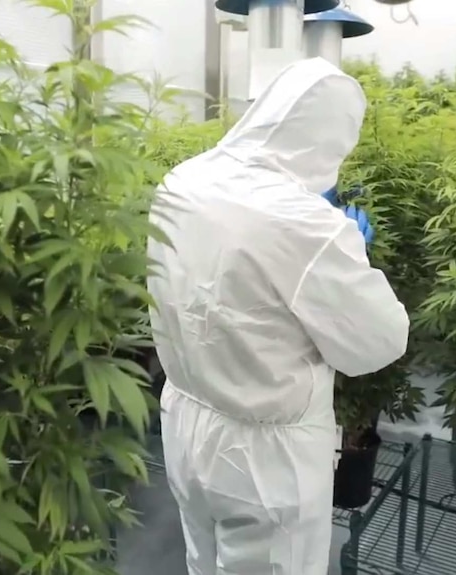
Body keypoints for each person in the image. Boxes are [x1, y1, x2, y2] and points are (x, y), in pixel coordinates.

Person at [146, 57, 409, 575]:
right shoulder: (309, 225)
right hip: (265, 460)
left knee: (201, 559)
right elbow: (378, 343)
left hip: (184, 421)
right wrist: (348, 250)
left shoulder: (184, 180)